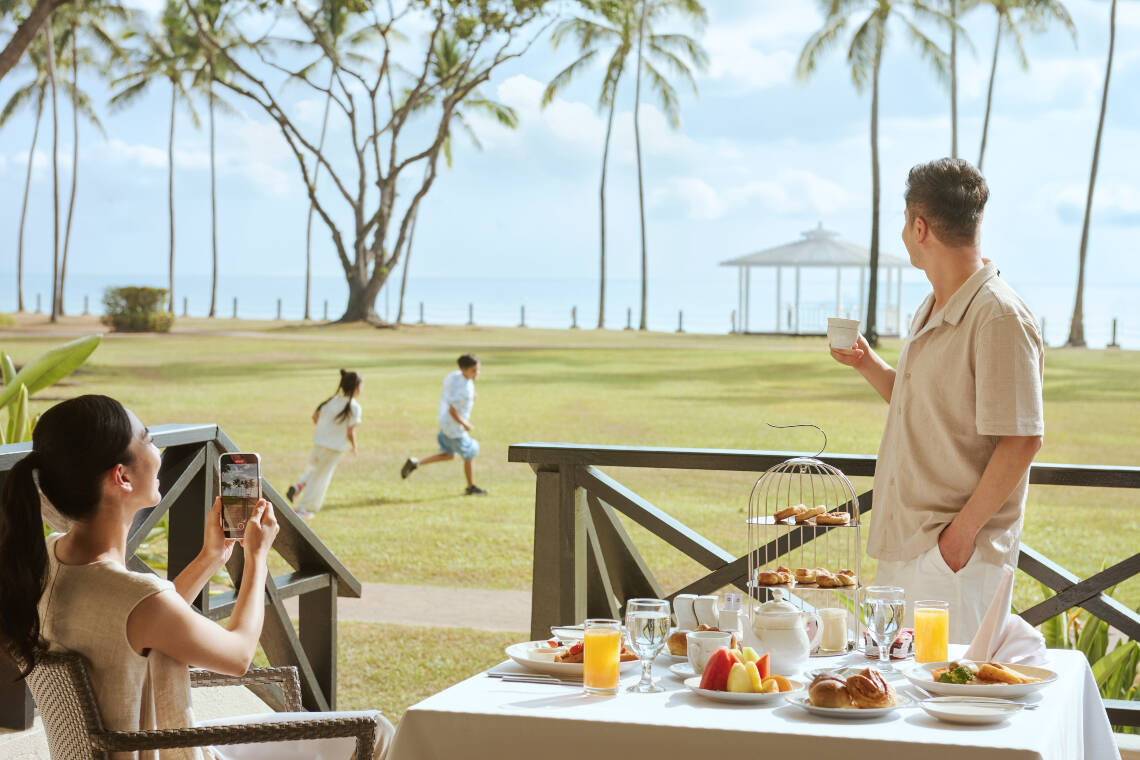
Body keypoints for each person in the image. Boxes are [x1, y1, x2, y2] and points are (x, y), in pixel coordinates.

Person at [0, 394, 394, 759]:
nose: (157, 451)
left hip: (128, 746)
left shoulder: (50, 557)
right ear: (121, 477)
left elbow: (141, 621)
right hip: (171, 751)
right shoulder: (136, 597)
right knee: (374, 730)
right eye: (148, 439)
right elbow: (238, 656)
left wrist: (210, 558)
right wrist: (256, 559)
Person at [830, 158, 1044, 644]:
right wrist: (868, 364)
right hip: (906, 545)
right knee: (898, 684)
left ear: (919, 227)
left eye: (905, 222)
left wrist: (958, 541)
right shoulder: (932, 307)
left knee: (947, 686)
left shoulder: (998, 317)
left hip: (952, 560)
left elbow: (1022, 440)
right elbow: (924, 406)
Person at [401, 354, 487, 495]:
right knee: (470, 453)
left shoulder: (455, 376)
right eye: (474, 370)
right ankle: (471, 487)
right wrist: (465, 424)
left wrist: (471, 397)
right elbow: (453, 410)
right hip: (455, 428)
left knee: (448, 455)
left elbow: (453, 395)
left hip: (445, 424)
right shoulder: (464, 391)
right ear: (464, 370)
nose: (477, 373)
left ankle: (416, 463)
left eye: (478, 369)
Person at [286, 369, 363, 518]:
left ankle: (298, 486)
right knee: (319, 478)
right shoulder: (354, 407)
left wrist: (325, 429)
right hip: (333, 447)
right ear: (356, 387)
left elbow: (315, 417)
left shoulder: (331, 401)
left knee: (314, 471)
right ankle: (302, 508)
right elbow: (350, 431)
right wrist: (354, 446)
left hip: (319, 443)